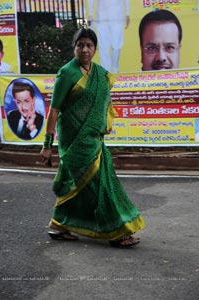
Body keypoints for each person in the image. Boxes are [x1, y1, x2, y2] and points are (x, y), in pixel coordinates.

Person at [40, 28, 145, 248]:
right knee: (97, 186)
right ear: (74, 47)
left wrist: (103, 124)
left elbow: (105, 103)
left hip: (94, 139)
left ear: (95, 48)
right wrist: (47, 146)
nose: (85, 50)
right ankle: (116, 232)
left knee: (88, 185)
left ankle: (59, 224)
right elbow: (54, 110)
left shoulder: (99, 73)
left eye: (89, 45)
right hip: (74, 140)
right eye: (80, 45)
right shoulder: (66, 73)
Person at [87, 0, 130, 73]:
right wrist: (90, 14)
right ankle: (106, 73)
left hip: (117, 17)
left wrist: (127, 14)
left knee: (116, 46)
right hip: (101, 17)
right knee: (103, 48)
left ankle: (115, 69)